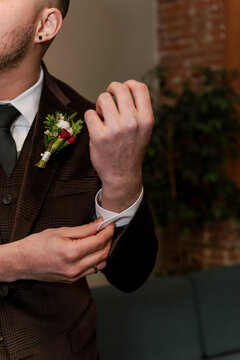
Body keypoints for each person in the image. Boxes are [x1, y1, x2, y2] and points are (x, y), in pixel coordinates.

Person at [0, 0, 158, 359]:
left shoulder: (94, 127)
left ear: (47, 24)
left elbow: (131, 275)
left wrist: (124, 178)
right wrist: (14, 261)